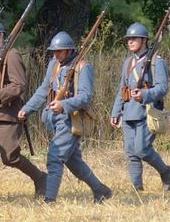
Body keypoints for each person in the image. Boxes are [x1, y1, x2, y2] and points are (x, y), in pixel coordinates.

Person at [18, 31, 112, 204]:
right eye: (54, 51)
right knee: (73, 161)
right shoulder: (54, 64)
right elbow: (44, 90)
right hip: (56, 120)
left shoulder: (83, 67)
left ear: (69, 50)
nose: (55, 55)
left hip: (72, 120)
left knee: (55, 157)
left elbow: (85, 97)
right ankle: (100, 190)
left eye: (59, 51)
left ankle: (49, 200)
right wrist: (27, 109)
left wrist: (64, 104)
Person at [0, 19, 46, 198]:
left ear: (0, 35)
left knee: (10, 157)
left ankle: (40, 178)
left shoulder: (12, 55)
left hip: (6, 114)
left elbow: (19, 85)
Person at [110, 23, 170, 191]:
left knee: (142, 150)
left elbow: (162, 88)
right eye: (128, 39)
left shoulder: (156, 61)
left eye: (134, 38)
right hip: (128, 112)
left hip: (147, 112)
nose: (130, 41)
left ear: (144, 40)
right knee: (131, 152)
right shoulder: (128, 62)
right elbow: (122, 89)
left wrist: (145, 95)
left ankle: (166, 172)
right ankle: (137, 189)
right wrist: (116, 112)